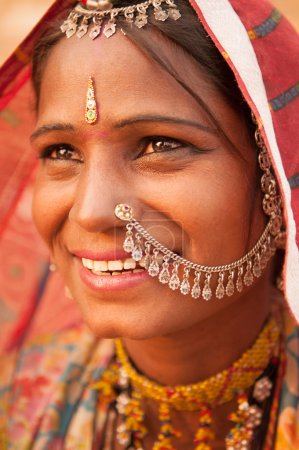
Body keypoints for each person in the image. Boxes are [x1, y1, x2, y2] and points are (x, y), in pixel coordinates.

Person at [0, 0, 298, 448]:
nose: (90, 211)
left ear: (276, 170)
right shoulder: (17, 406)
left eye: (158, 144)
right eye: (62, 152)